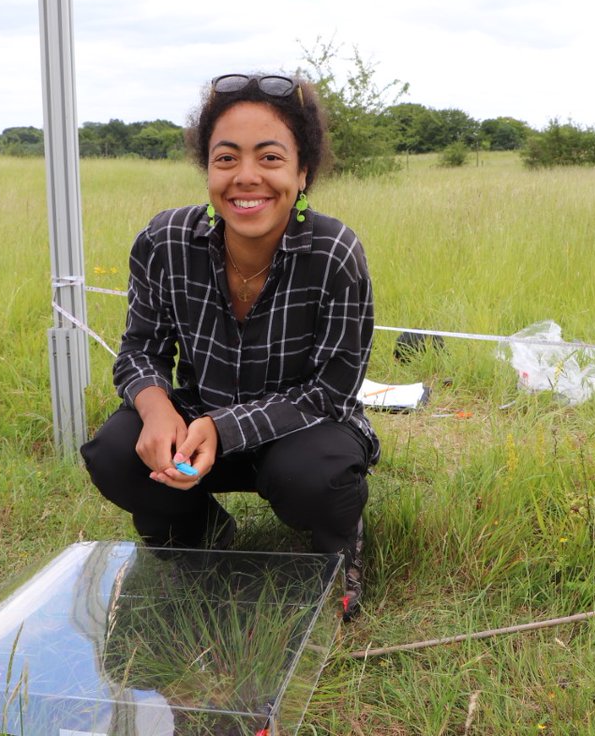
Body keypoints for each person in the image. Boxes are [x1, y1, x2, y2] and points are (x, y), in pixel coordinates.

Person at [80, 73, 379, 619]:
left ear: (301, 172)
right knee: (115, 453)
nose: (246, 178)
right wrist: (156, 409)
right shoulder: (164, 241)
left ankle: (339, 552)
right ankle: (200, 534)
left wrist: (225, 429)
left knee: (318, 474)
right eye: (226, 159)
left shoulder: (335, 253)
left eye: (269, 158)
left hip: (301, 430)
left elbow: (333, 391)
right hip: (197, 420)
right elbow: (139, 350)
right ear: (208, 169)